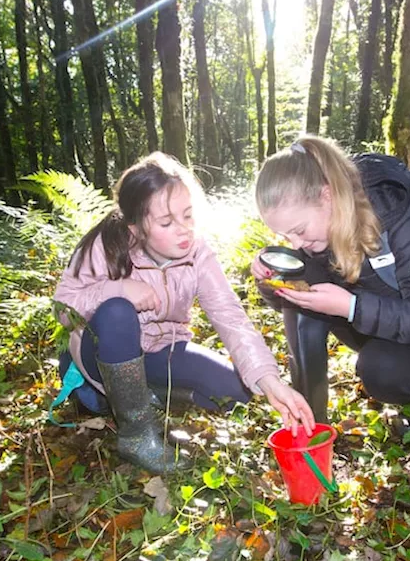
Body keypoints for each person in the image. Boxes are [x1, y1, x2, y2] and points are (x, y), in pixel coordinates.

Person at [54, 152, 315, 474]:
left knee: (237, 394)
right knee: (117, 312)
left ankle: (144, 394)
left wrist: (271, 381)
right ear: (135, 227)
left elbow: (230, 317)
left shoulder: (198, 255)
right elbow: (65, 309)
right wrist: (115, 290)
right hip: (103, 353)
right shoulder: (105, 245)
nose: (183, 230)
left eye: (188, 216)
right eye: (166, 222)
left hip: (164, 350)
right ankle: (135, 433)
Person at [251, 135, 410, 425]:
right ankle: (312, 424)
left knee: (383, 372)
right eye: (285, 236)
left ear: (326, 195)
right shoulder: (318, 233)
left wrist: (352, 307)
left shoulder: (398, 219)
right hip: (377, 320)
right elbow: (296, 295)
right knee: (303, 300)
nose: (295, 244)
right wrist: (273, 281)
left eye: (299, 230)